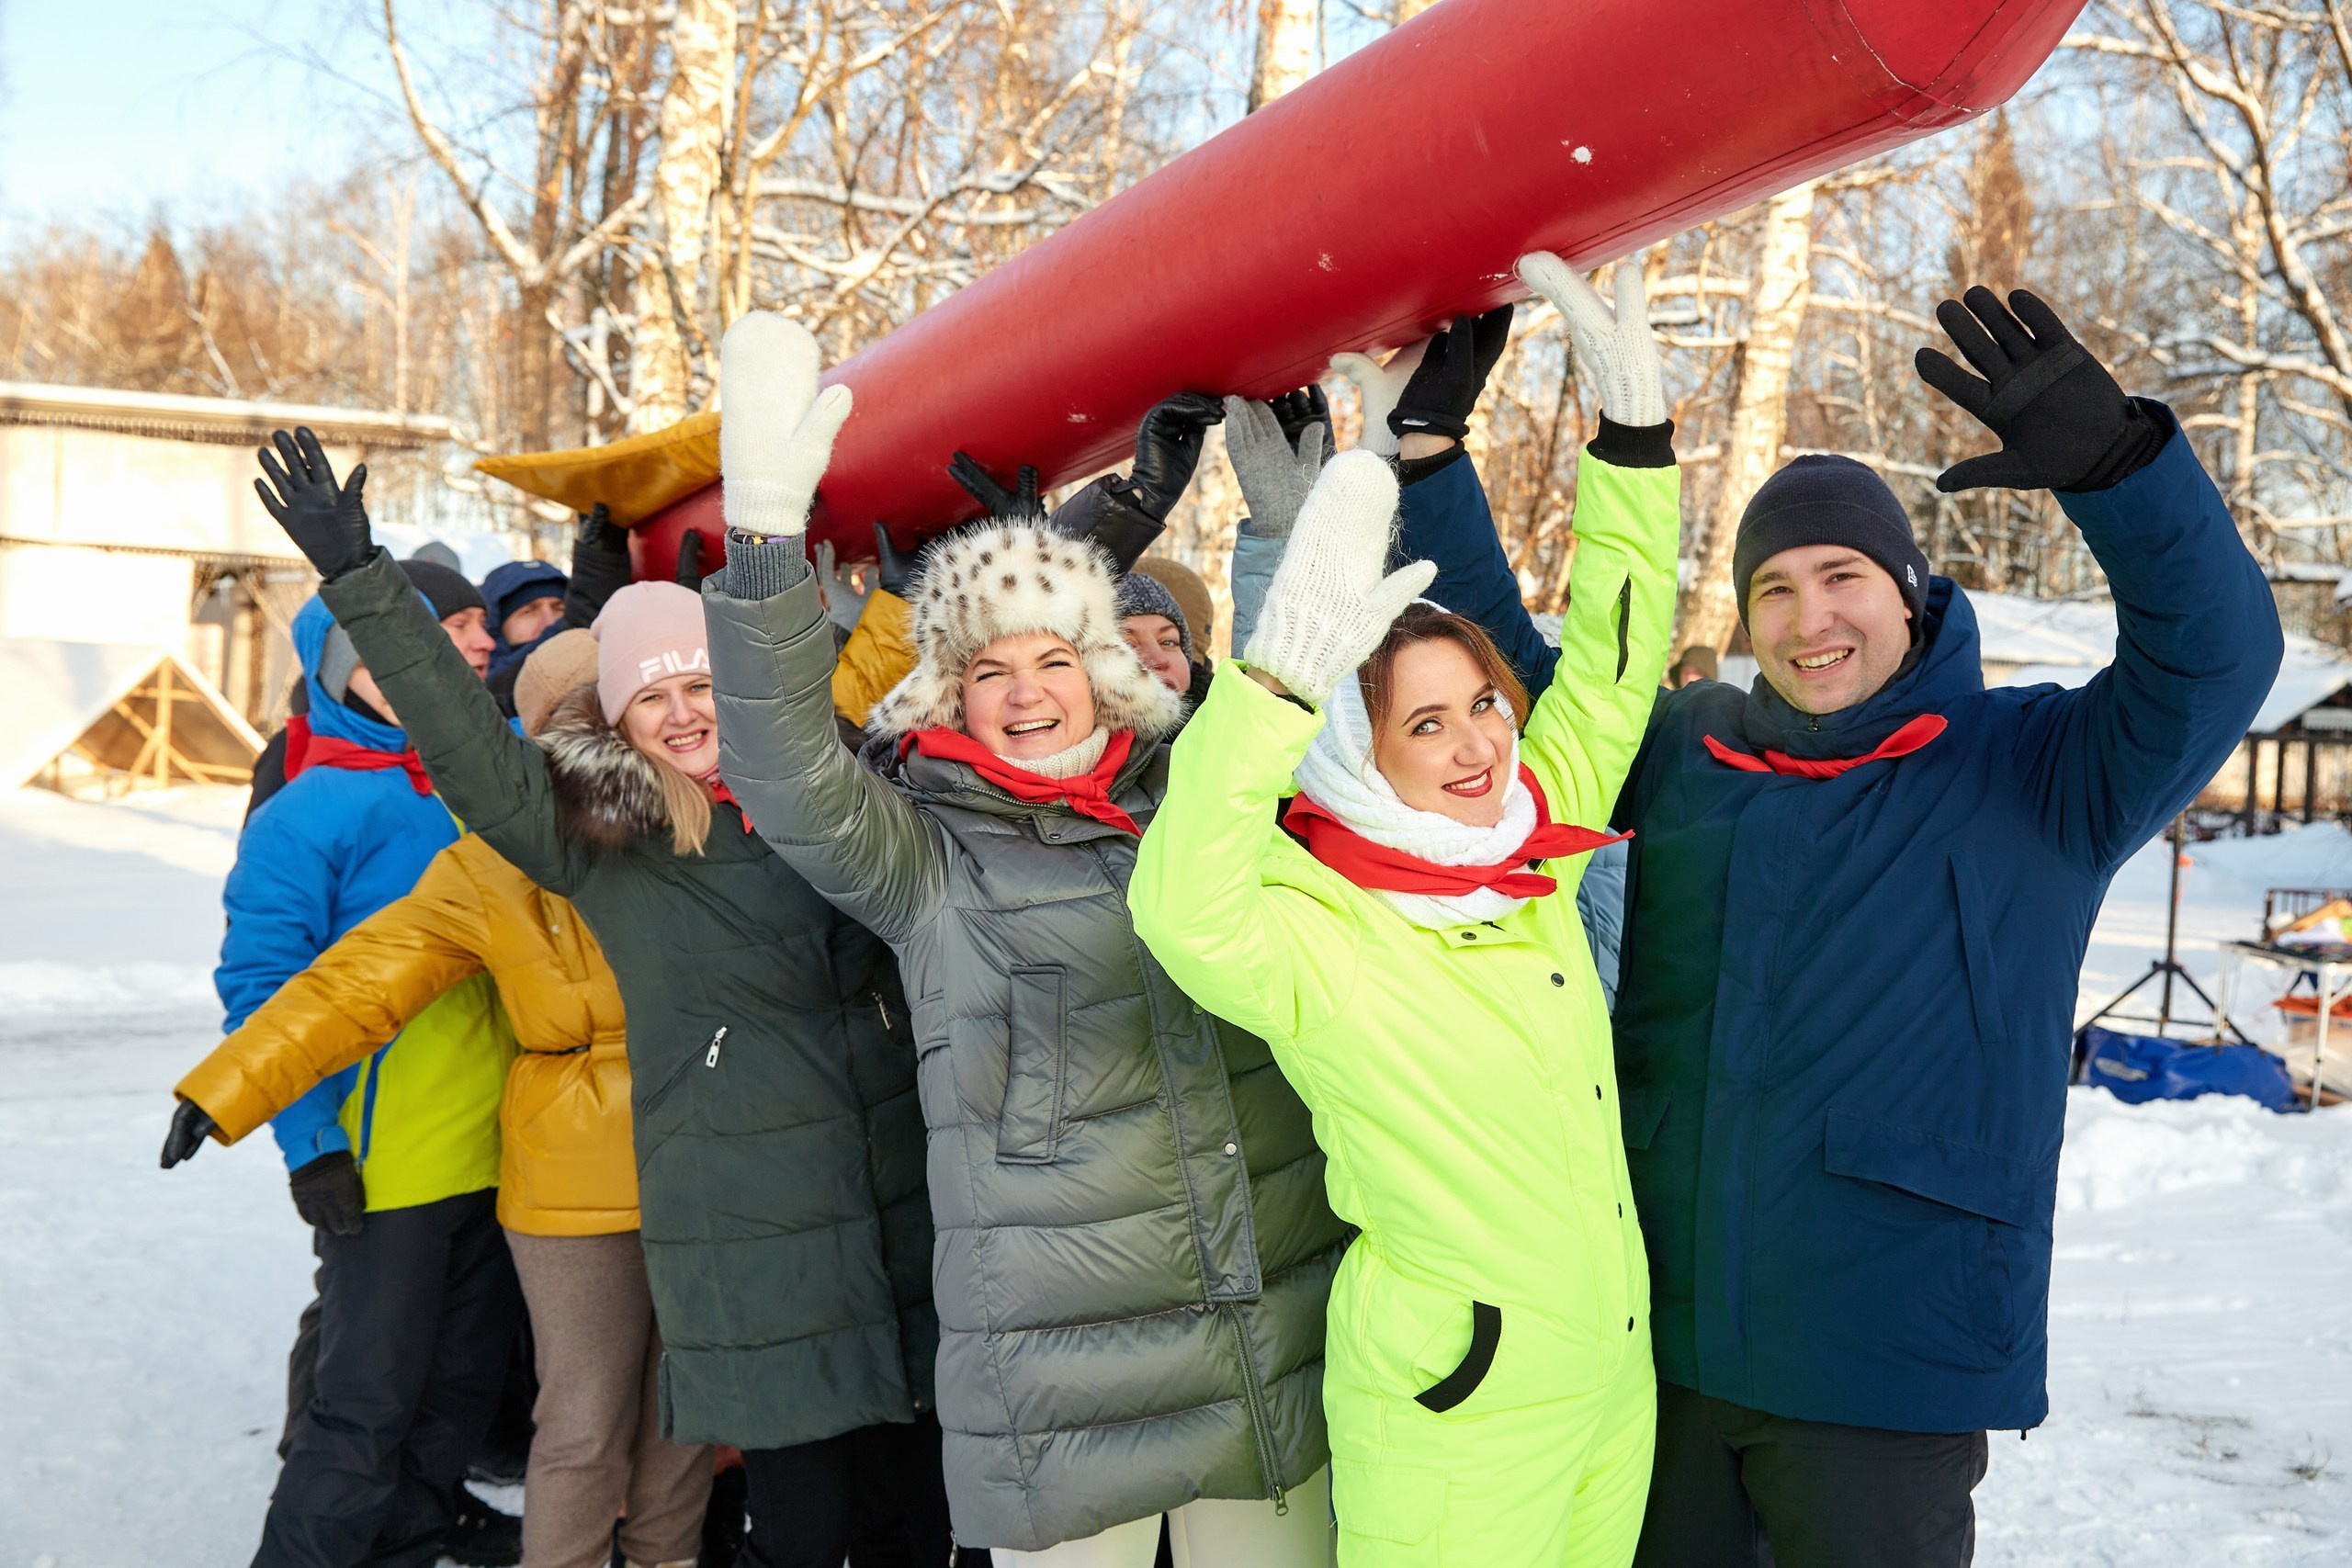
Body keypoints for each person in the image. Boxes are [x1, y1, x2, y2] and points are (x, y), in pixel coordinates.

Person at [1397, 283, 2285, 1566]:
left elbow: (2216, 661)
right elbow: (1519, 684)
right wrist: (1427, 460)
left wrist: (2120, 475)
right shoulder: (1687, 752)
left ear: (1909, 592)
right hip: (1663, 1348)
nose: (1809, 619)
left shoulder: (2040, 770)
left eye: (1841, 577)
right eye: (1773, 589)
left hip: (1888, 1373)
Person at [701, 314, 1348, 1564]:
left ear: (1102, 670)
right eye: (989, 669)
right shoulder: (925, 851)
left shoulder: (1193, 789)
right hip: (1061, 1381)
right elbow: (781, 771)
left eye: (1054, 657)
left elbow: (1307, 726)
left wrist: (1293, 531)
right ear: (952, 692)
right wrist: (766, 543)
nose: (1026, 691)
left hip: (1265, 1326)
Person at [239, 426, 944, 1568]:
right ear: (612, 726)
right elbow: (463, 759)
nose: (681, 711)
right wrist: (361, 578)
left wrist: (912, 595)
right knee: (750, 1497)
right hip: (741, 1227)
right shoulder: (610, 846)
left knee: (913, 1515)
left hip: (893, 1218)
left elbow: (914, 699)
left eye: (701, 684)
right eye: (648, 697)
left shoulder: (830, 791)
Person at [1129, 252, 1677, 1568]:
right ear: (1357, 752)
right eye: (1424, 723)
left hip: (1611, 1383)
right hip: (1458, 1407)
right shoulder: (1318, 921)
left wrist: (1635, 447)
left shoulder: (1527, 843)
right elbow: (1180, 905)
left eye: (1481, 700)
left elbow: (1611, 670)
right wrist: (1275, 684)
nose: (1478, 742)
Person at [166, 630, 714, 1568]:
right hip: (439, 1160)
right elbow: (340, 979)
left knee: (497, 1392)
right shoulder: (380, 824)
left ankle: (423, 1541)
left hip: (543, 1152)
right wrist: (259, 1103)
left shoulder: (681, 816)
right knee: (388, 1396)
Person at [175, 483, 522, 1568]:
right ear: (342, 672)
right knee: (364, 1407)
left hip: (502, 1147)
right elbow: (265, 991)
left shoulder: (488, 780)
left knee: (455, 1394)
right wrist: (311, 1142)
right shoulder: (308, 810)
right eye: (399, 651)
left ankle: (411, 1547)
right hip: (386, 1162)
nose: (448, 661)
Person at [481, 506, 636, 716]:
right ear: (496, 626)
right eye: (529, 612)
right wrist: (598, 567)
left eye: (559, 608)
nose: (549, 621)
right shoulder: (485, 693)